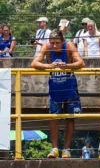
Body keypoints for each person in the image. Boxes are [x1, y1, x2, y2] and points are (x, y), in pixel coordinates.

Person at [31, 30, 85, 159]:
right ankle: (54, 148)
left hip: (70, 88)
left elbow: (81, 63)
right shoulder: (46, 47)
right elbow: (34, 63)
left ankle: (66, 149)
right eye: (52, 43)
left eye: (57, 43)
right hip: (55, 88)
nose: (54, 46)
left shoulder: (69, 45)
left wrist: (67, 66)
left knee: (70, 118)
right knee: (53, 117)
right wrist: (48, 66)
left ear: (62, 41)